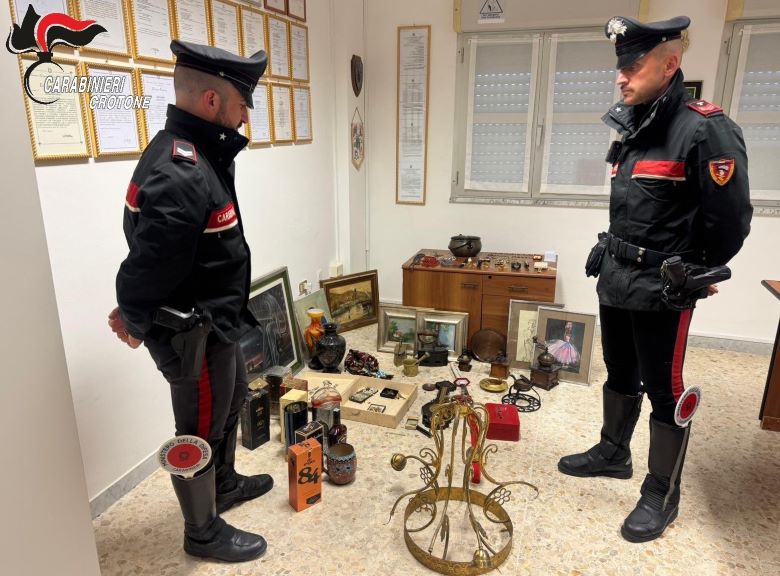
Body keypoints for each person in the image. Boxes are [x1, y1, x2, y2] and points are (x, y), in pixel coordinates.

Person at [558, 15, 752, 543]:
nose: (621, 77)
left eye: (633, 66)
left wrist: (698, 270)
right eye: (620, 66)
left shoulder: (704, 128)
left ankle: (662, 492)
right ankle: (613, 452)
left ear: (670, 65)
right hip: (616, 275)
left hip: (664, 287)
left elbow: (731, 219)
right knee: (619, 371)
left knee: (665, 389)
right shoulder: (634, 125)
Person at [108, 40, 273, 563]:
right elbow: (149, 264)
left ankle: (222, 485)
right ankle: (201, 532)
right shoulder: (181, 168)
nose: (245, 116)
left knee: (233, 397)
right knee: (198, 428)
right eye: (242, 104)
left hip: (217, 322)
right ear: (211, 100)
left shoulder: (200, 153)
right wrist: (133, 317)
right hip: (191, 334)